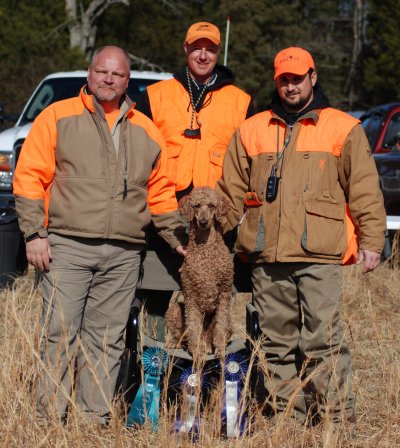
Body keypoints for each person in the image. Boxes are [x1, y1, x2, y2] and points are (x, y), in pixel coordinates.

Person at [13, 45, 186, 424]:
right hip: (66, 247)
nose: (108, 79)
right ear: (89, 73)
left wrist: (177, 239)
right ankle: (49, 419)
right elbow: (29, 178)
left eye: (118, 74)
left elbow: (159, 193)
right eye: (101, 72)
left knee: (107, 339)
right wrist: (34, 234)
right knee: (59, 333)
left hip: (124, 253)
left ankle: (93, 419)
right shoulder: (57, 116)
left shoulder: (147, 130)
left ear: (128, 81)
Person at [215, 47, 386, 426]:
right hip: (266, 255)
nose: (290, 86)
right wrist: (208, 238)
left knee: (322, 340)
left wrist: (372, 240)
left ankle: (336, 420)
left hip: (319, 254)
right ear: (276, 81)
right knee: (275, 344)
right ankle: (285, 420)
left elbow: (363, 189)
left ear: (313, 76)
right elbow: (228, 193)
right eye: (283, 79)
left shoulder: (343, 127)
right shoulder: (252, 129)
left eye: (297, 78)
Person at [134, 21, 254, 335]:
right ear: (186, 49)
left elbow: (250, 163)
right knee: (156, 295)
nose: (203, 55)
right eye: (197, 47)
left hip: (214, 221)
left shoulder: (241, 102)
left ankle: (210, 368)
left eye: (211, 48)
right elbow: (137, 154)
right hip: (165, 216)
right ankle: (155, 370)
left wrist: (231, 214)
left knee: (213, 297)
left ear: (218, 52)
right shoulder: (155, 96)